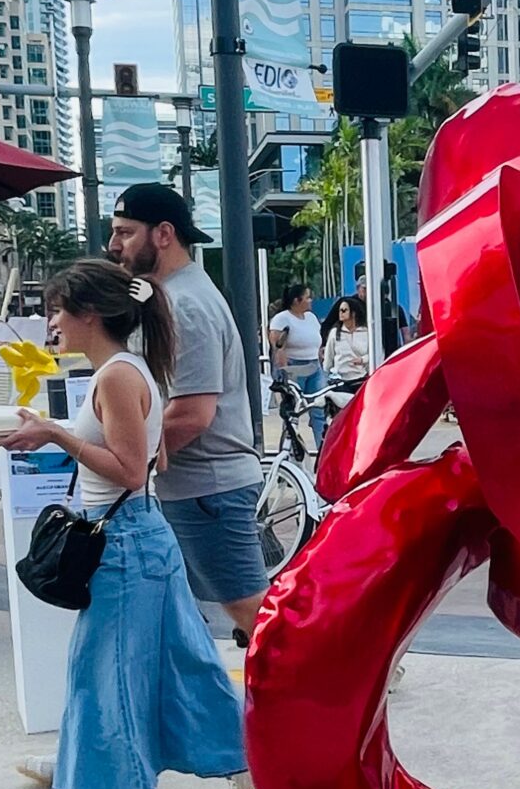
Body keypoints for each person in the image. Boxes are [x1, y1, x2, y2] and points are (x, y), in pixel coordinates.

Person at [0, 260, 249, 789]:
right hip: (137, 538)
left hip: (126, 544)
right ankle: (242, 754)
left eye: (57, 309)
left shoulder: (115, 376)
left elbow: (132, 470)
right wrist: (61, 431)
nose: (51, 322)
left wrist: (57, 436)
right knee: (178, 663)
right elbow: (147, 461)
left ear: (89, 314)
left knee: (102, 676)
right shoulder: (128, 369)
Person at [108, 184, 269, 636]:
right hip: (195, 488)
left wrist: (128, 460)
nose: (114, 245)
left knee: (252, 612)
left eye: (125, 232)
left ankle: (342, 670)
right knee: (192, 609)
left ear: (163, 234)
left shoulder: (185, 306)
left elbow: (193, 414)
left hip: (207, 489)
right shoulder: (168, 297)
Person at [269, 281, 326, 450]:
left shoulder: (311, 318)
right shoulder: (281, 319)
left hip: (314, 366)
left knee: (318, 408)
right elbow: (278, 347)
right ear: (297, 300)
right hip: (294, 367)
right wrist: (284, 371)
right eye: (307, 297)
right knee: (293, 411)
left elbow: (316, 340)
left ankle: (322, 448)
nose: (310, 300)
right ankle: (290, 449)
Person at [324, 295, 372, 388]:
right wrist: (327, 374)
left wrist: (363, 360)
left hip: (361, 378)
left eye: (344, 310)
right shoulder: (334, 332)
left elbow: (375, 355)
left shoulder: (366, 332)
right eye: (340, 310)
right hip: (340, 380)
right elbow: (328, 358)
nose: (340, 313)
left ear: (353, 313)